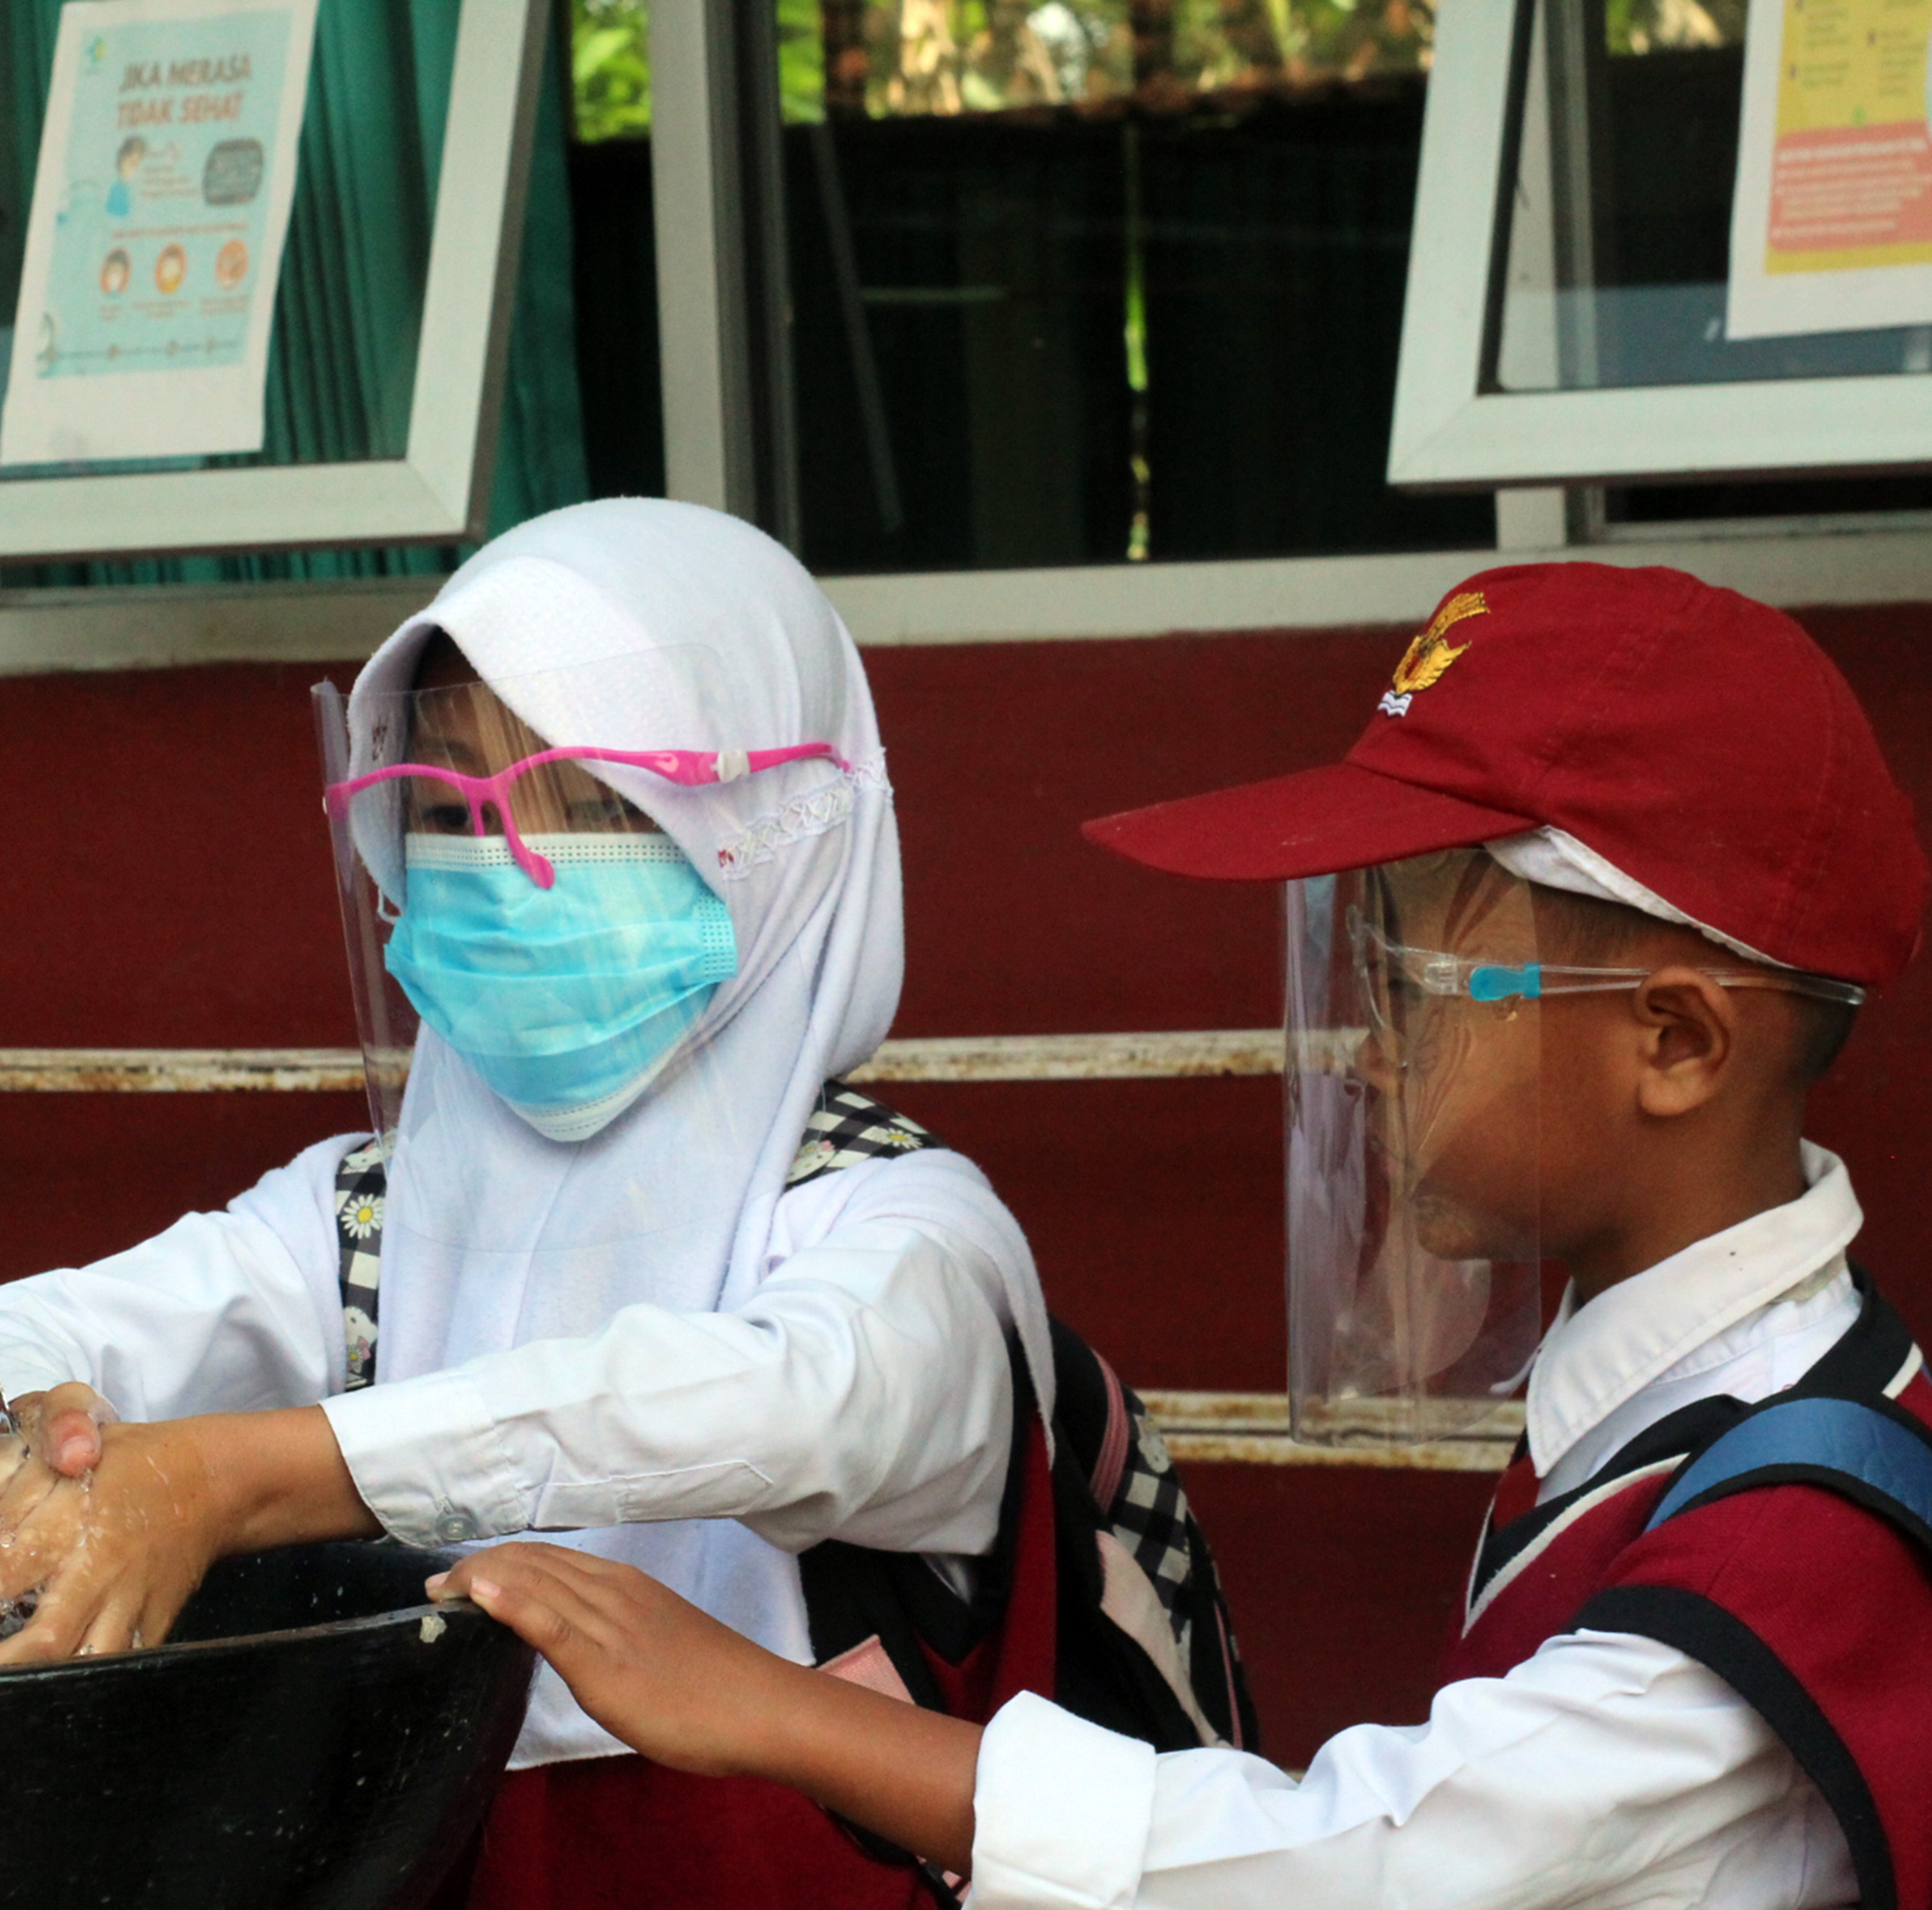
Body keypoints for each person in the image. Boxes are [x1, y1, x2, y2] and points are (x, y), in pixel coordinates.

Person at [435, 561, 1932, 1910]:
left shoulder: (1804, 1533)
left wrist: (777, 1712)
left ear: (1671, 1041)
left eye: (1408, 982)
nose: (1365, 1048)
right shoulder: (1667, 1383)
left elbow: (1375, 1862)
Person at [0, 498, 1245, 1910]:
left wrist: (229, 1476)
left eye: (596, 806)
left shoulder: (901, 1226)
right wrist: (49, 1430)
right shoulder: (366, 1221)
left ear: (778, 828)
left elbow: (767, 1401)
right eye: (447, 801)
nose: (506, 863)